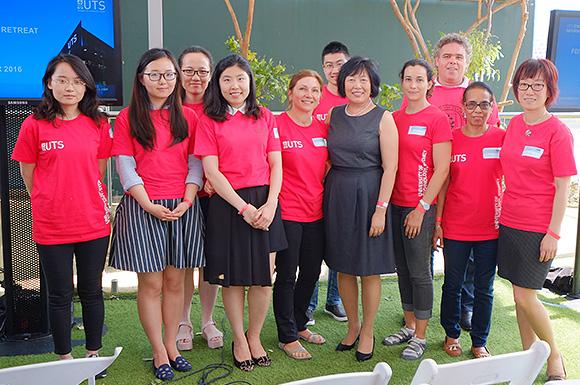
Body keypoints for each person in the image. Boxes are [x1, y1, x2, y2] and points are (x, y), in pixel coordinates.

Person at [12, 54, 112, 372]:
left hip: (93, 222)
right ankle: (64, 359)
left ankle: (93, 355)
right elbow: (28, 175)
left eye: (78, 81)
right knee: (59, 294)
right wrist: (49, 201)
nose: (70, 87)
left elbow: (97, 171)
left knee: (91, 290)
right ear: (49, 83)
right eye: (63, 80)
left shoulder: (97, 123)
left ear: (86, 87)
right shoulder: (33, 125)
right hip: (52, 224)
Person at [109, 48, 203, 381]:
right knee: (150, 284)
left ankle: (172, 344)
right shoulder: (126, 118)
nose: (163, 81)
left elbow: (196, 163)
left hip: (182, 206)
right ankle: (158, 350)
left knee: (177, 281)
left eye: (169, 74)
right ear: (141, 79)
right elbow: (125, 164)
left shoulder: (189, 117)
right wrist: (148, 203)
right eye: (155, 75)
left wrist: (188, 199)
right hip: (142, 205)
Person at [194, 54, 287, 372]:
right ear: (217, 85)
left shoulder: (264, 116)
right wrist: (244, 208)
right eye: (227, 79)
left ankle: (255, 336)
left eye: (240, 79)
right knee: (232, 281)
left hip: (266, 202)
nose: (235, 86)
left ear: (250, 82)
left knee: (263, 279)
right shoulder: (209, 120)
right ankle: (238, 339)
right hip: (229, 204)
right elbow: (212, 172)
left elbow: (276, 163)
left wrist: (271, 204)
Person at [403, 32, 501, 330]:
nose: (452, 62)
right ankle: (424, 309)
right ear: (437, 60)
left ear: (467, 61)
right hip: (429, 184)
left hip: (467, 184)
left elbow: (493, 136)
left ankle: (466, 307)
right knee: (427, 254)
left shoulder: (478, 94)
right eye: (447, 56)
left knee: (469, 265)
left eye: (458, 56)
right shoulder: (427, 92)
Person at [498, 58, 574, 381]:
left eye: (537, 85)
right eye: (524, 85)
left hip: (538, 227)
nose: (529, 91)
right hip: (509, 220)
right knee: (519, 294)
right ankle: (529, 356)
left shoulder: (558, 132)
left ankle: (553, 354)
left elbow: (563, 187)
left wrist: (553, 234)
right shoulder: (514, 125)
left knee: (525, 295)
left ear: (549, 91)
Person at [325, 57, 398, 362]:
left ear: (373, 84)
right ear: (343, 83)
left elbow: (390, 167)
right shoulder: (334, 114)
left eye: (363, 80)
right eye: (351, 79)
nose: (357, 85)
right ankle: (352, 327)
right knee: (342, 265)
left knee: (368, 269)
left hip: (370, 192)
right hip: (338, 193)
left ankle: (367, 331)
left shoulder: (383, 117)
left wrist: (380, 210)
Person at [383, 59, 452, 360]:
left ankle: (421, 336)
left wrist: (422, 208)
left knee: (420, 272)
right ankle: (409, 325)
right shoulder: (393, 118)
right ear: (401, 82)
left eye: (419, 79)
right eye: (408, 79)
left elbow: (442, 169)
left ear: (429, 83)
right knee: (402, 270)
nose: (413, 85)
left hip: (418, 208)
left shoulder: (436, 118)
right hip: (394, 205)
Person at [433, 82, 504, 359]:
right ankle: (451, 334)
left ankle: (479, 340)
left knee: (485, 287)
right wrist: (438, 222)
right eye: (472, 104)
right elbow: (443, 182)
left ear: (492, 107)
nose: (478, 110)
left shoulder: (502, 137)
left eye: (484, 104)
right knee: (452, 283)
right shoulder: (451, 139)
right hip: (456, 227)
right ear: (463, 107)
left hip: (491, 228)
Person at [273, 70, 328, 360]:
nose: (309, 95)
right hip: (288, 211)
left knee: (312, 271)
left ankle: (299, 322)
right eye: (303, 89)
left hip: (316, 211)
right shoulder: (277, 124)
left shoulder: (322, 127)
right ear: (291, 92)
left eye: (315, 90)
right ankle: (287, 335)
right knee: (286, 274)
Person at [175, 46, 223, 350]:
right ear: (178, 73)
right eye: (189, 70)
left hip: (215, 195)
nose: (196, 77)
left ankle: (207, 320)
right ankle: (184, 320)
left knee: (210, 260)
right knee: (183, 261)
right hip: (177, 196)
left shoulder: (218, 108)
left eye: (203, 71)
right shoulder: (167, 107)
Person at [308, 41, 350, 325]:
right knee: (312, 245)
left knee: (339, 242)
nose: (334, 70)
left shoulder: (355, 97)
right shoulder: (314, 96)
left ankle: (334, 300)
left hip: (343, 183)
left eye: (339, 64)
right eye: (329, 65)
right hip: (312, 182)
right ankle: (308, 303)